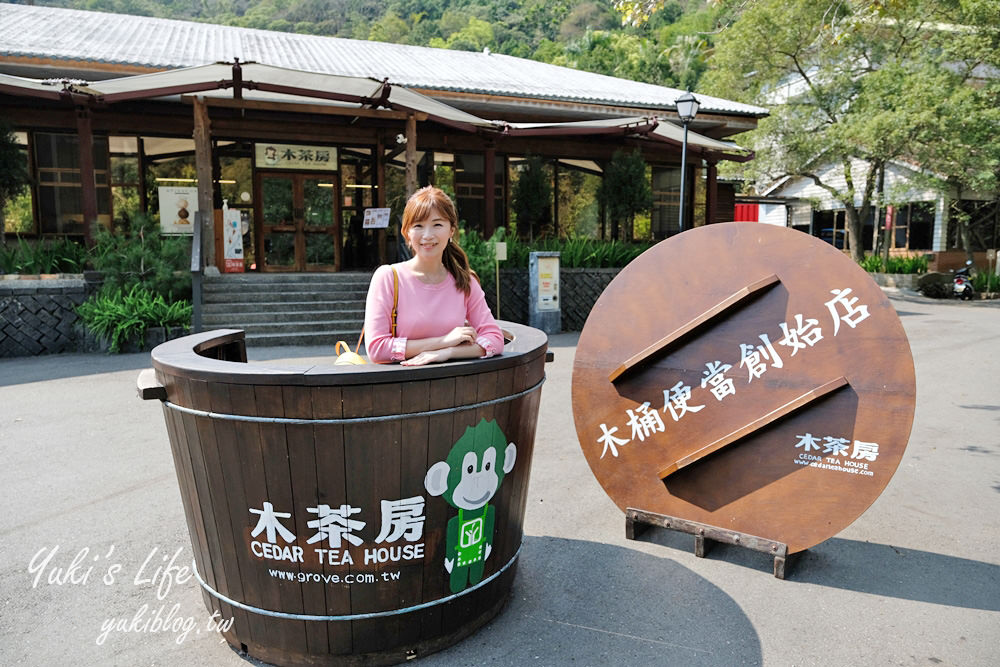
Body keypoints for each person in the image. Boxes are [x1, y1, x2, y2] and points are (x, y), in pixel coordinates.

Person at [364, 186, 503, 366]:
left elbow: (495, 339)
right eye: (418, 226)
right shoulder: (388, 278)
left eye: (437, 224)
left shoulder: (465, 281)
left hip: (455, 387)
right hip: (400, 389)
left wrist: (449, 352)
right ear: (406, 232)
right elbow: (377, 349)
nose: (428, 235)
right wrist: (443, 341)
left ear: (451, 230)